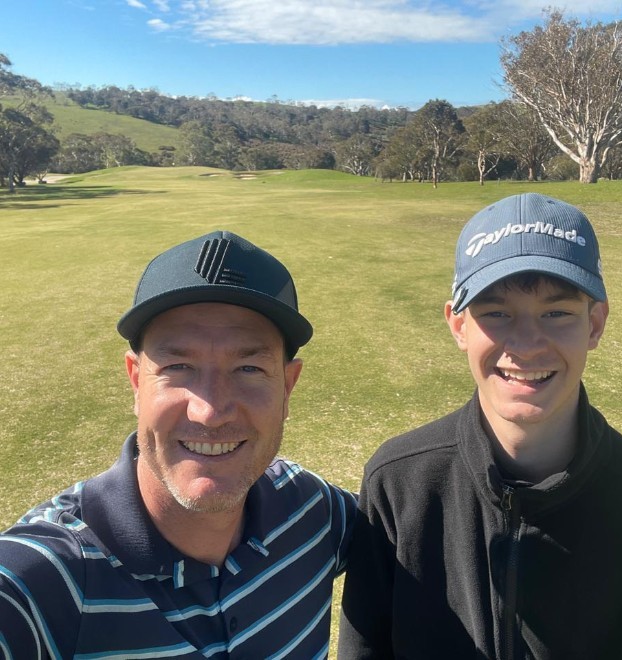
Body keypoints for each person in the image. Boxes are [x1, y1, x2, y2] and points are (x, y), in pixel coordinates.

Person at [0, 230, 356, 658]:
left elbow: (414, 524)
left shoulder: (313, 510)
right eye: (179, 366)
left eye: (248, 368)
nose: (210, 411)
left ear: (287, 387)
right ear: (136, 382)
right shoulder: (43, 580)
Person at [339, 193, 622, 659]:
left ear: (594, 324)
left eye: (556, 313)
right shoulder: (398, 484)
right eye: (496, 313)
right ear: (458, 326)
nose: (526, 344)